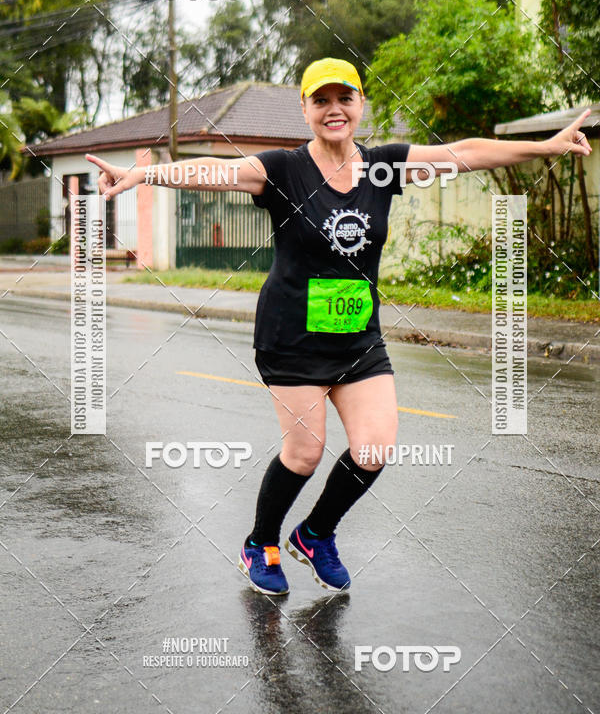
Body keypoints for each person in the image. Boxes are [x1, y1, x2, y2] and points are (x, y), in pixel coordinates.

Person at [87, 57, 592, 596]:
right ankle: (261, 543)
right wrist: (142, 173)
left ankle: (315, 533)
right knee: (304, 453)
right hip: (292, 336)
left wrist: (546, 147)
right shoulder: (282, 170)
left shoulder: (383, 167)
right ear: (305, 109)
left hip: (358, 338)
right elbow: (211, 171)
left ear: (360, 105)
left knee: (373, 449)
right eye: (321, 100)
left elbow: (462, 154)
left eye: (344, 98)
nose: (334, 109)